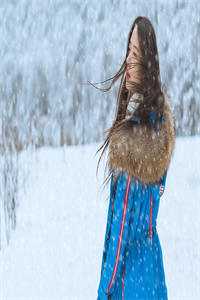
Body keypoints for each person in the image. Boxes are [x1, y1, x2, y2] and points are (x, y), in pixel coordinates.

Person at [91, 16, 175, 300]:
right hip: (152, 271)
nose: (129, 60)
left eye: (136, 54)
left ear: (148, 63)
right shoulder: (159, 126)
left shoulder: (132, 144)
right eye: (128, 50)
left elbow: (118, 234)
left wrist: (104, 291)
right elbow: (160, 189)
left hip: (129, 281)